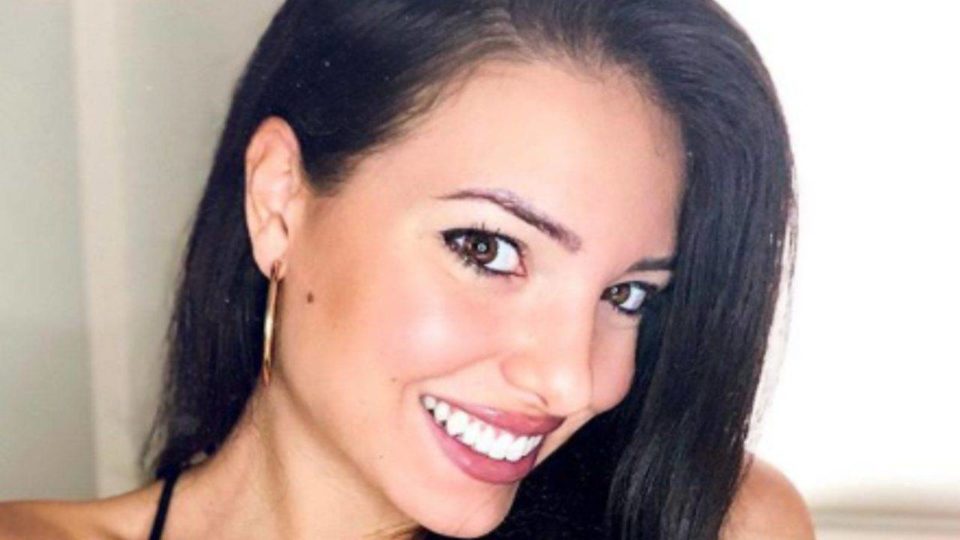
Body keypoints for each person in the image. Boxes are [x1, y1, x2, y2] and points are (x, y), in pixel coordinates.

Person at [0, 0, 813, 538]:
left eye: (628, 295)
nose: (571, 382)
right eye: (488, 249)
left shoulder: (712, 525)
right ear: (279, 202)